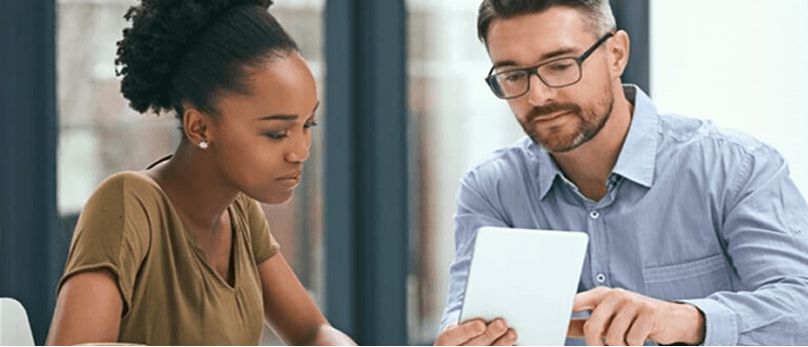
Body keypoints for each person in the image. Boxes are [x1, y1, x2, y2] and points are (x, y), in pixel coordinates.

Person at [435, 0, 808, 346]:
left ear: (616, 54)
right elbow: (463, 315)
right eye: (513, 75)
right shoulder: (492, 189)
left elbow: (799, 308)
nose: (538, 96)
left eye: (561, 65)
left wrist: (684, 319)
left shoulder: (734, 168)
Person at [45, 0, 356, 345]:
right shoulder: (127, 205)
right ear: (199, 127)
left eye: (307, 125)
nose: (301, 151)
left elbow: (312, 332)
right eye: (276, 133)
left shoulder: (240, 214)